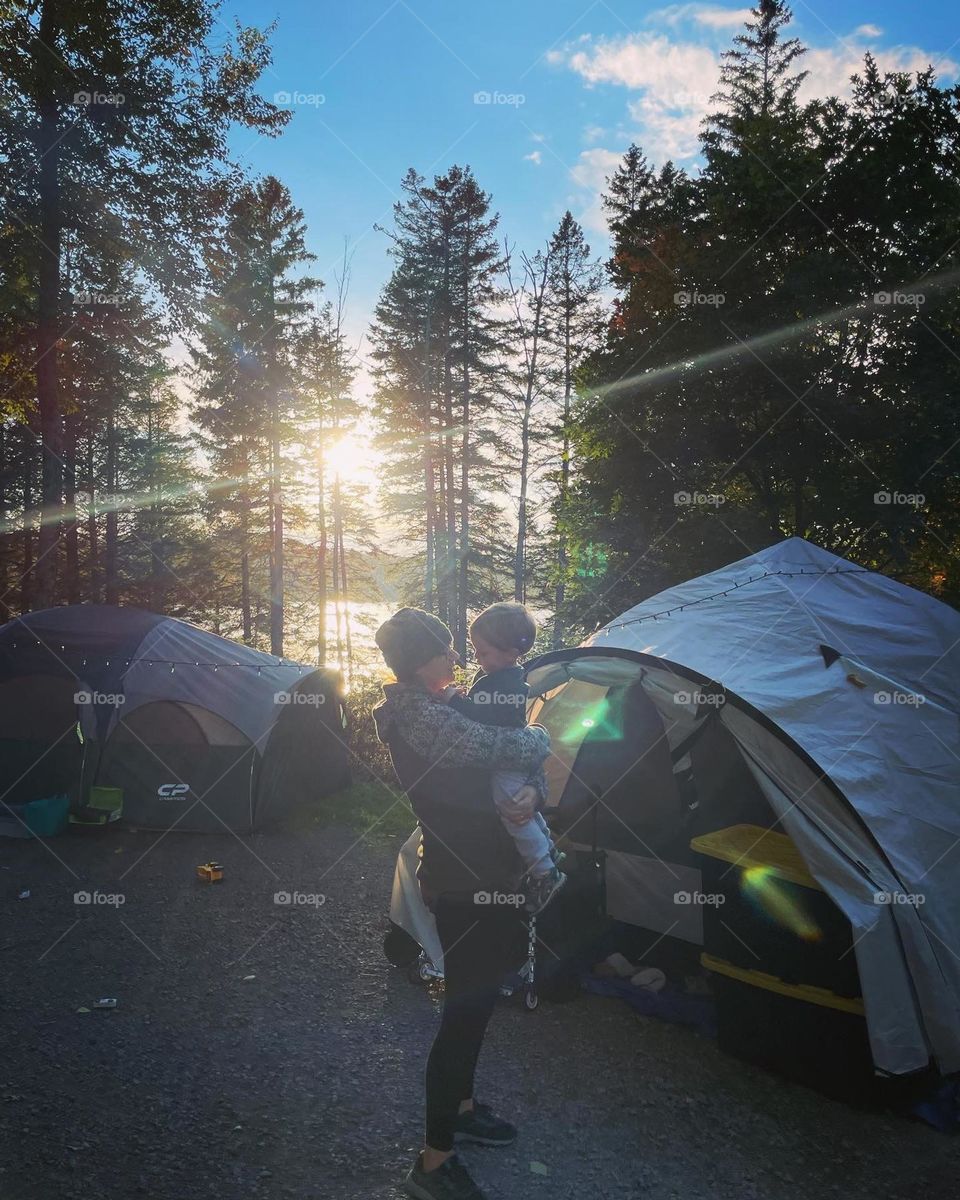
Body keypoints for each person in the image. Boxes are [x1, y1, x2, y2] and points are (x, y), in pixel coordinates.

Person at [373, 607, 550, 1200]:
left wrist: (533, 786)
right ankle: (433, 1160)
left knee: (481, 993)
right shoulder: (420, 717)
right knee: (464, 1012)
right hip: (465, 880)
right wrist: (545, 740)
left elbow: (509, 762)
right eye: (446, 651)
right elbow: (505, 742)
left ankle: (464, 1106)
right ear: (422, 663)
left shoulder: (440, 704)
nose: (458, 659)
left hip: (489, 872)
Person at [444, 602, 565, 914]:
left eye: (483, 653)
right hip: (515, 758)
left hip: (506, 766)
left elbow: (478, 718)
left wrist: (452, 701)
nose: (477, 659)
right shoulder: (507, 676)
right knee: (522, 811)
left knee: (511, 811)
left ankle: (544, 872)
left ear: (511, 652)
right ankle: (548, 847)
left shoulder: (505, 681)